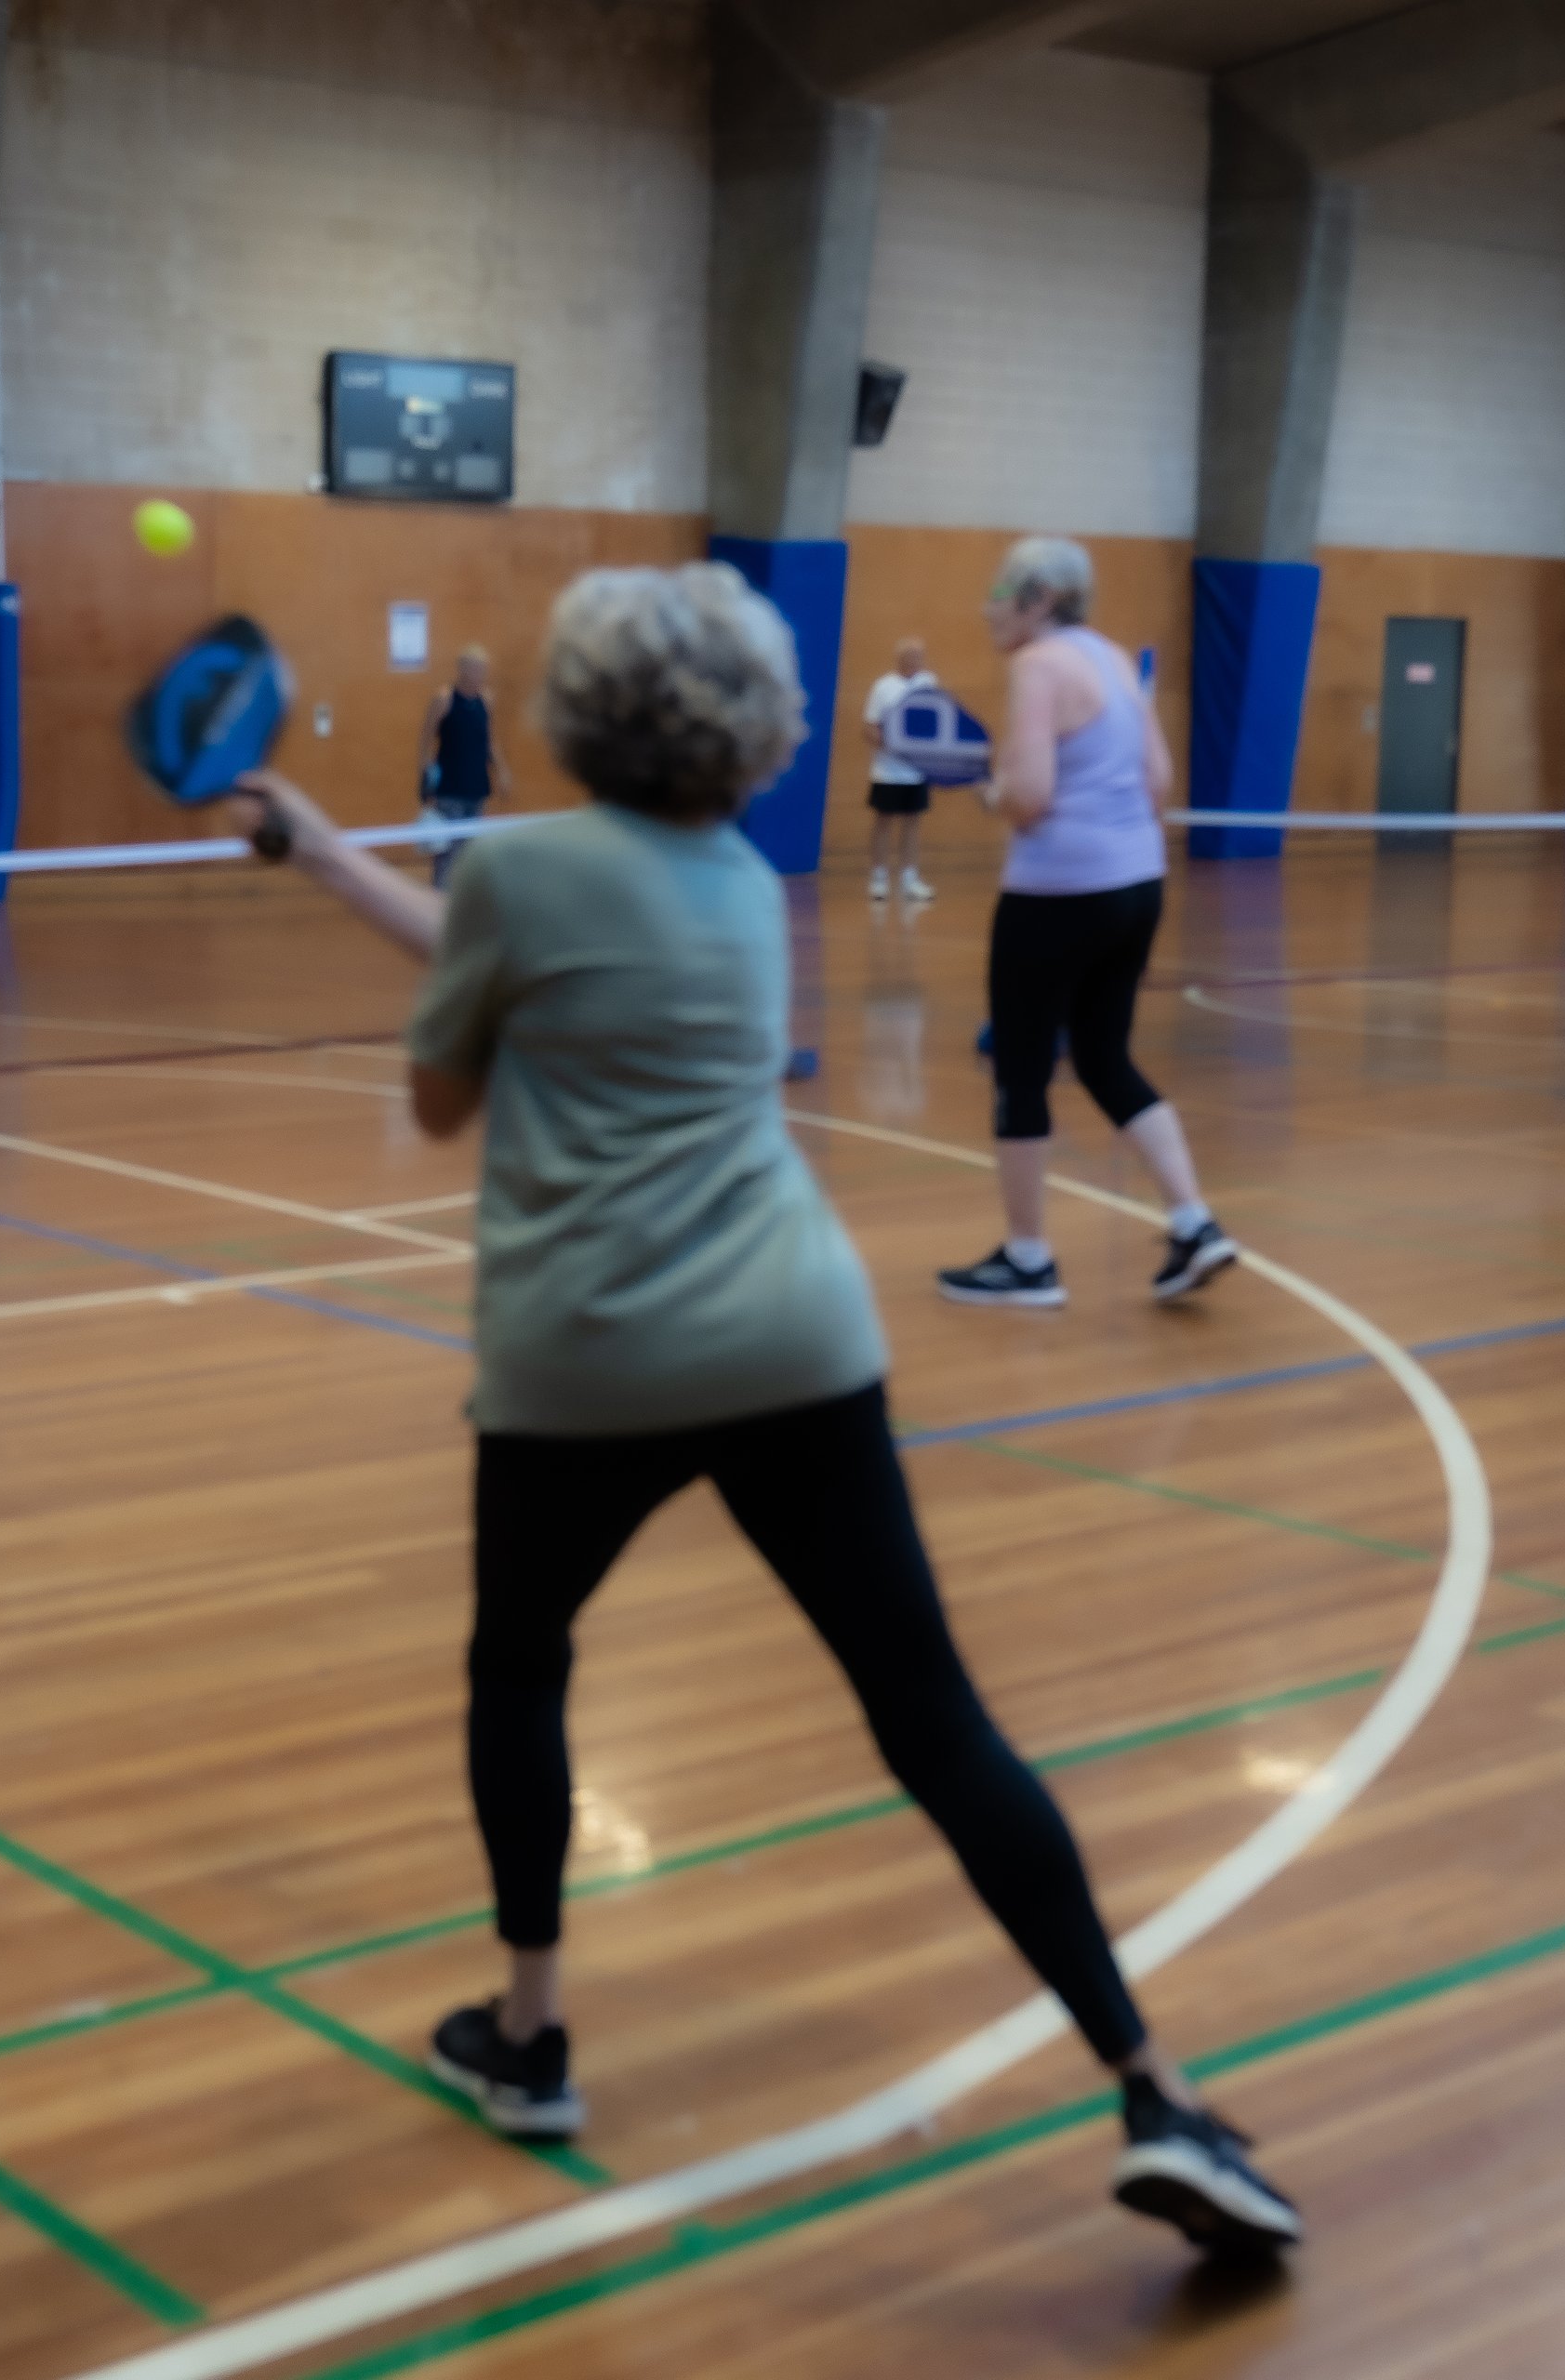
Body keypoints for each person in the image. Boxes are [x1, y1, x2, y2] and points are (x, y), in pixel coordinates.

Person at [221, 562, 1298, 2258]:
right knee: (936, 1725)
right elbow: (527, 937)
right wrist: (336, 858)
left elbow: (445, 1094)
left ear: (580, 709)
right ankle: (1158, 2090)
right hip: (798, 1340)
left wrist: (415, 960)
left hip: (580, 1360)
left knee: (522, 1665)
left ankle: (531, 2036)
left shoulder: (519, 873)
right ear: (753, 726)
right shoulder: (737, 881)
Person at [938, 537, 1236, 1312]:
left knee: (1022, 1069)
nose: (987, 605)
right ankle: (1194, 1221)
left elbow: (1029, 796)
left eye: (999, 592)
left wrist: (994, 795)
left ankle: (1028, 1260)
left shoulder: (1036, 667)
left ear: (1038, 599)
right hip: (1136, 887)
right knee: (1105, 1056)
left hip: (1056, 893)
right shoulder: (1110, 661)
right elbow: (1158, 781)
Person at [413, 644, 511, 888]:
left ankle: (464, 905)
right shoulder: (444, 699)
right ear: (463, 670)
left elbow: (489, 741)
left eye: (484, 670)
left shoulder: (486, 700)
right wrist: (426, 781)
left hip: (477, 787)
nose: (482, 675)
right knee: (447, 855)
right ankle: (439, 904)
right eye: (478, 669)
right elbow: (425, 742)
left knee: (471, 853)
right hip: (449, 790)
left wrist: (502, 771)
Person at [862, 633, 939, 904]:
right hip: (888, 771)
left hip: (917, 771)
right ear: (901, 658)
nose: (917, 661)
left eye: (920, 656)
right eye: (912, 656)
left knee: (913, 823)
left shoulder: (929, 683)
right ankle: (878, 880)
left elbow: (935, 721)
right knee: (884, 822)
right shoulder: (883, 687)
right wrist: (892, 746)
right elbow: (870, 727)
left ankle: (910, 881)